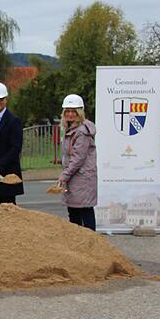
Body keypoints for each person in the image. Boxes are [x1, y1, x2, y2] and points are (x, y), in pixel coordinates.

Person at [58, 94, 97, 231]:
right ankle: (76, 242)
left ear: (79, 112)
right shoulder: (70, 129)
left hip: (82, 177)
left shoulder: (82, 132)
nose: (70, 114)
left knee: (85, 211)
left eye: (73, 111)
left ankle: (91, 242)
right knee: (74, 212)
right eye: (67, 111)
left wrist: (65, 175)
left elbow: (78, 158)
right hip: (74, 178)